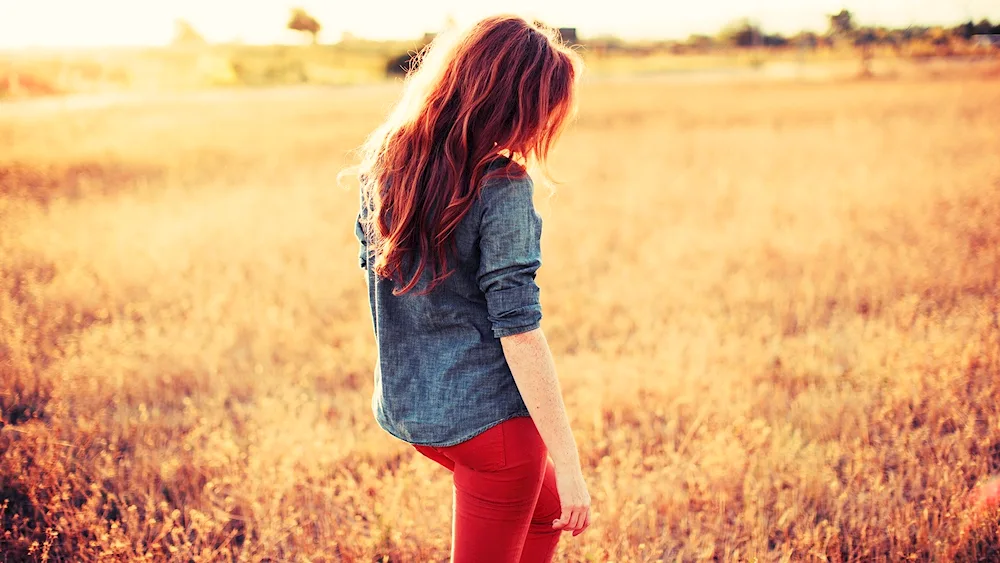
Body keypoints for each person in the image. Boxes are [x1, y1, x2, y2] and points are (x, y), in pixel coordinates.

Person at [352, 14, 591, 562]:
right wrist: (572, 466)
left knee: (545, 515)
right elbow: (520, 332)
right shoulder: (502, 186)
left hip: (413, 412)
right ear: (509, 102)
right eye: (540, 110)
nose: (541, 127)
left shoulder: (385, 163)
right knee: (557, 499)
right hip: (492, 430)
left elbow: (382, 290)